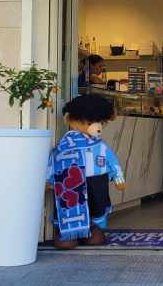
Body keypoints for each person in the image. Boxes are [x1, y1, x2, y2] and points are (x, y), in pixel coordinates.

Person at [47, 94, 125, 249]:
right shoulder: (65, 144)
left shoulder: (99, 145)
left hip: (97, 183)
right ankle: (68, 230)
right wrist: (49, 179)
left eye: (100, 122)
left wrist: (118, 176)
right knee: (71, 207)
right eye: (90, 122)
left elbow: (111, 160)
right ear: (71, 119)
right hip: (73, 185)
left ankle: (90, 227)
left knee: (96, 212)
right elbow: (55, 161)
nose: (97, 127)